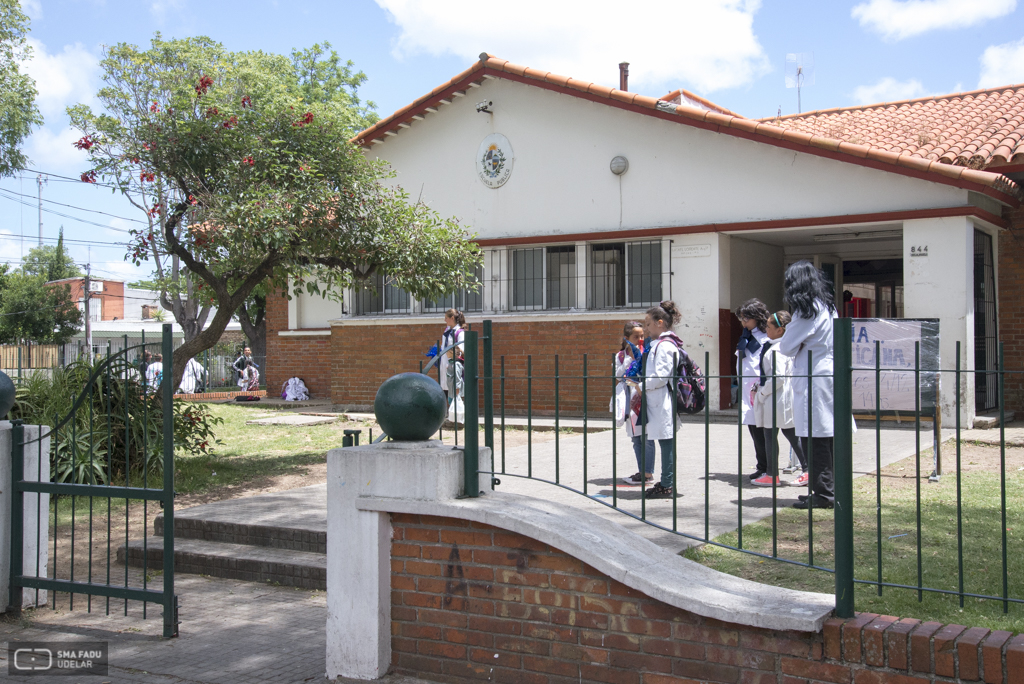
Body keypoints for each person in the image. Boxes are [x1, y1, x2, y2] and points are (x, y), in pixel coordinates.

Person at [778, 261, 838, 509]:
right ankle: (826, 488)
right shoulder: (826, 306)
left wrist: (798, 343)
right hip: (824, 372)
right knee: (824, 436)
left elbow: (786, 346)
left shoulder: (807, 311)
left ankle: (824, 494)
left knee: (815, 438)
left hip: (814, 375)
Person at [751, 311, 808, 487]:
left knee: (788, 432)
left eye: (769, 327)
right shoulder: (778, 347)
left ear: (780, 330)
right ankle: (772, 473)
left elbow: (778, 377)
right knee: (772, 433)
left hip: (777, 398)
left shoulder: (778, 349)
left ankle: (806, 469)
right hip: (776, 397)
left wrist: (762, 393)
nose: (766, 329)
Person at [641, 301, 684, 500]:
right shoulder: (659, 344)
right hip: (657, 401)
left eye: (648, 324)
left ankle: (667, 483)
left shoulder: (665, 346)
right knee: (663, 441)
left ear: (660, 323)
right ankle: (666, 481)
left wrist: (641, 386)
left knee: (666, 443)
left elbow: (661, 376)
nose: (645, 329)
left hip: (662, 401)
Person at [612, 321, 653, 485]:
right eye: (636, 336)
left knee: (647, 437)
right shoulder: (621, 356)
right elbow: (618, 375)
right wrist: (629, 359)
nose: (640, 339)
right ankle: (641, 471)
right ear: (627, 338)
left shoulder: (648, 352)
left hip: (645, 398)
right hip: (630, 400)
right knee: (636, 439)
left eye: (642, 336)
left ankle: (648, 473)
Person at [735, 299, 771, 481]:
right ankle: (761, 465)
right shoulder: (746, 337)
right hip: (747, 390)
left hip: (760, 390)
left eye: (746, 319)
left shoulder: (765, 339)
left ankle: (769, 468)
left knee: (764, 431)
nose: (743, 323)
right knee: (754, 430)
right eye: (741, 319)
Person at [439, 309, 466, 403]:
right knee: (445, 388)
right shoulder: (446, 331)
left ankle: (456, 411)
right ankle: (451, 411)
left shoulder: (460, 333)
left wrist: (453, 352)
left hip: (453, 365)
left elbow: (461, 351)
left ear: (452, 318)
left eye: (446, 318)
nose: (444, 320)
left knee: (454, 390)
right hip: (445, 364)